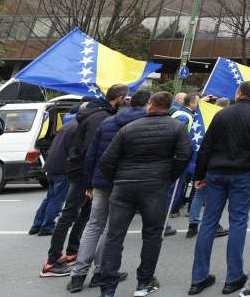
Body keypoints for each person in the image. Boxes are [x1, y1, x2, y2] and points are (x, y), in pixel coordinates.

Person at [97, 91, 193, 297]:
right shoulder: (176, 127)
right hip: (155, 185)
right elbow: (185, 154)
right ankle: (144, 283)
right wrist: (168, 176)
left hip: (124, 184)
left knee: (115, 235)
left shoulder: (128, 128)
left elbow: (106, 160)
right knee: (152, 235)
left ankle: (107, 288)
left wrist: (118, 177)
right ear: (168, 107)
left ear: (150, 105)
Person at [189, 81, 250, 295]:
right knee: (238, 222)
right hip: (243, 174)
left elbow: (206, 146)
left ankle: (198, 277)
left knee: (208, 221)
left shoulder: (221, 114)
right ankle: (233, 276)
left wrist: (199, 175)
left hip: (216, 172)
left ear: (238, 92)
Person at [66, 90, 151, 291]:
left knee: (94, 225)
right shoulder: (143, 124)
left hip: (101, 181)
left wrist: (89, 183)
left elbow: (91, 154)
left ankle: (77, 275)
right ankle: (101, 271)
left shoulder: (108, 121)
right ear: (148, 104)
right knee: (110, 228)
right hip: (124, 181)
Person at [42, 84, 128, 277]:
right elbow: (92, 151)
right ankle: (51, 262)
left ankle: (72, 251)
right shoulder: (101, 117)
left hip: (82, 171)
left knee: (84, 215)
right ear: (120, 98)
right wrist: (90, 181)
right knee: (70, 213)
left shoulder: (97, 112)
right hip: (83, 173)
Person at [30, 110, 77, 235]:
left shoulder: (66, 126)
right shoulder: (77, 128)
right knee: (57, 199)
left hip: (51, 166)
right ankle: (47, 226)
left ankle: (36, 225)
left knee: (49, 198)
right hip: (62, 168)